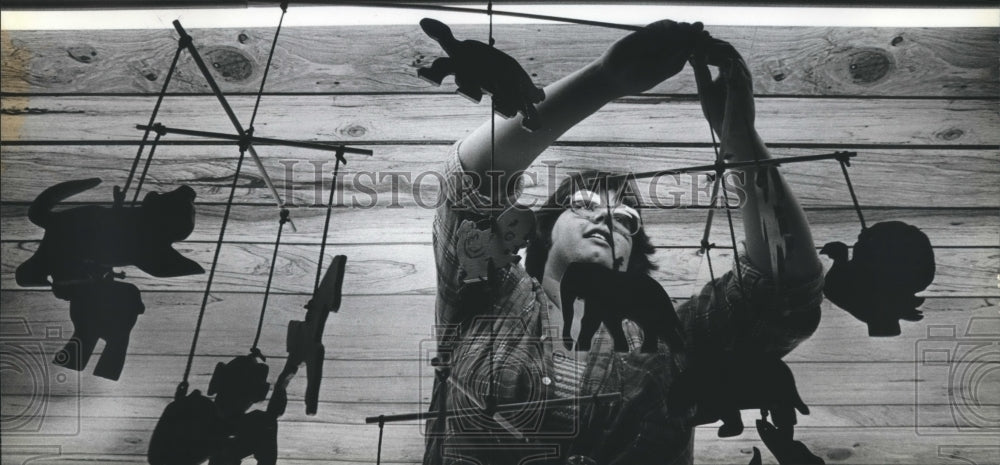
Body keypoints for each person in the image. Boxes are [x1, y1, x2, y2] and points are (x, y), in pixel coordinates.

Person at [425, 20, 824, 465]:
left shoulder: (673, 338)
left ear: (631, 253)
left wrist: (740, 141)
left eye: (627, 218)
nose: (606, 216)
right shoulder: (487, 295)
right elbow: (469, 183)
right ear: (544, 229)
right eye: (583, 203)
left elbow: (784, 289)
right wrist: (605, 79)